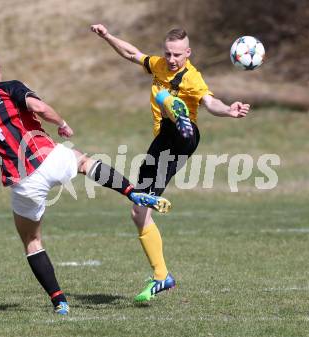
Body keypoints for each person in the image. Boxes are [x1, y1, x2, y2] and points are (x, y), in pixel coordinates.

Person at [0, 51, 172, 315]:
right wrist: (62, 123)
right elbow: (39, 107)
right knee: (84, 163)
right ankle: (132, 192)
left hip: (23, 180)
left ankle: (59, 302)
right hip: (47, 157)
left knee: (31, 240)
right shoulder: (6, 88)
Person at [90, 24, 250, 302]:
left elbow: (210, 103)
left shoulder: (192, 78)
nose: (172, 59)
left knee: (168, 104)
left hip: (183, 136)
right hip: (162, 146)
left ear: (188, 53)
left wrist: (228, 110)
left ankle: (178, 114)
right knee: (139, 211)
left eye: (178, 54)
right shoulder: (159, 65)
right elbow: (132, 54)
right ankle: (162, 276)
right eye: (168, 53)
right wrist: (107, 36)